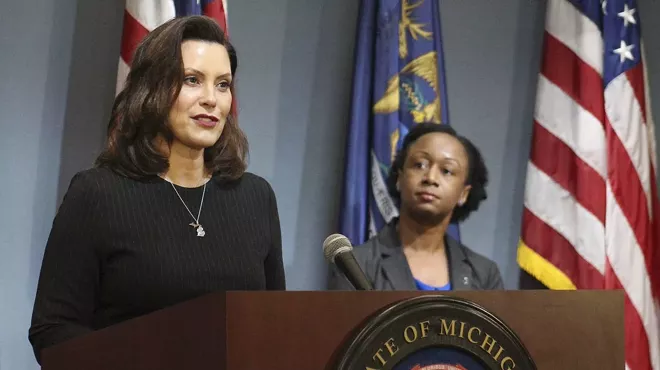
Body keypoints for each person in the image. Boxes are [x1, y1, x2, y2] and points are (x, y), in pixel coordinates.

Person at [28, 15, 285, 363]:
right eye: (192, 80)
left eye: (223, 84)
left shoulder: (255, 198)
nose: (212, 99)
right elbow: (53, 331)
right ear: (154, 89)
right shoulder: (98, 194)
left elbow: (274, 328)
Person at [328, 123, 503, 291]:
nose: (431, 178)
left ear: (464, 194)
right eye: (420, 165)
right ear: (399, 178)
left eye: (446, 171)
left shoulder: (484, 275)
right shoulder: (356, 266)